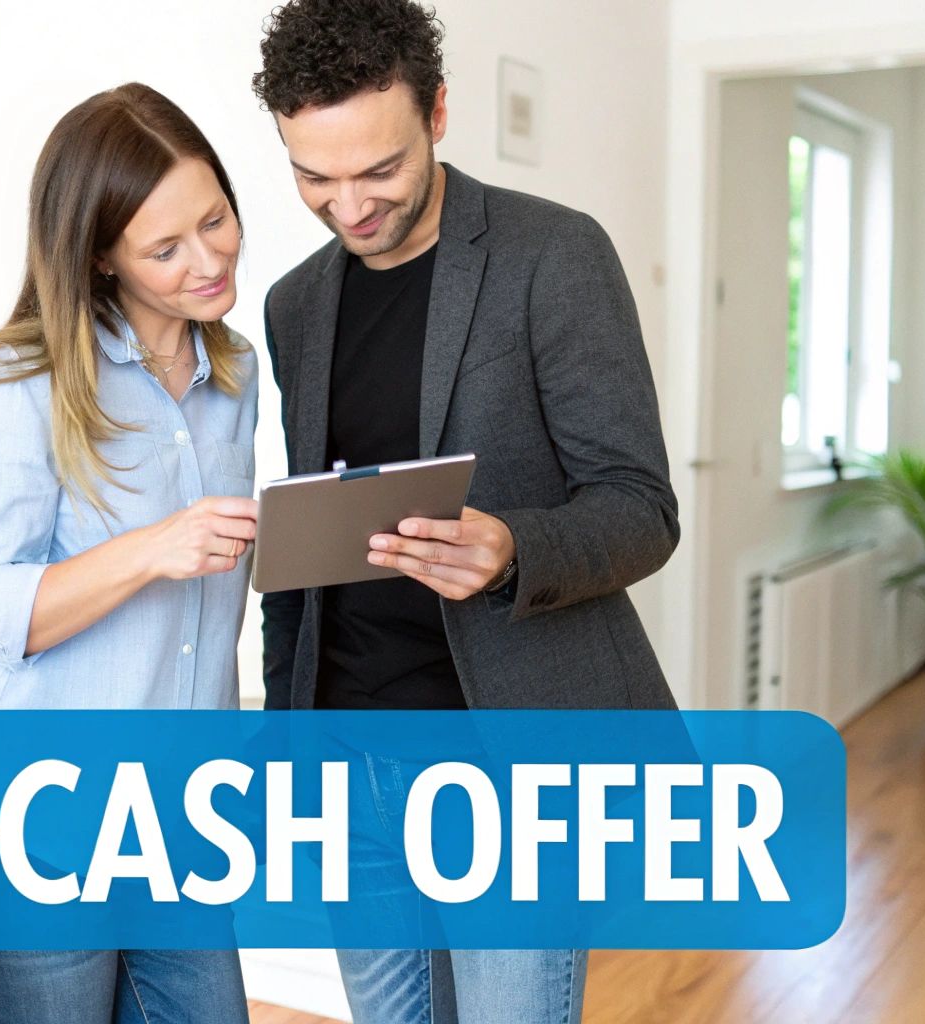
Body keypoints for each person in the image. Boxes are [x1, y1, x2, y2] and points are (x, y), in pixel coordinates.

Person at [252, 1, 681, 1021]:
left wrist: (510, 548)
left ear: (437, 112)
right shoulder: (292, 306)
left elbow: (640, 506)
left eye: (378, 170)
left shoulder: (553, 257)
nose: (348, 206)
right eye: (314, 175)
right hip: (348, 763)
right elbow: (299, 545)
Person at [0, 82, 258, 1024]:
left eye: (216, 219)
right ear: (101, 257)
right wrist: (154, 549)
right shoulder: (10, 384)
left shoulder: (235, 374)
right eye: (165, 248)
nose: (208, 259)